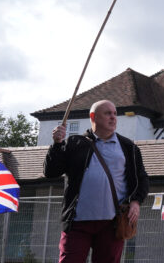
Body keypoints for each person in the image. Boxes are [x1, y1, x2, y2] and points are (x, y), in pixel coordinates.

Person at [45, 100, 149, 263]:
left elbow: (141, 179)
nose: (113, 117)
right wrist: (57, 145)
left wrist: (136, 201)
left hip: (112, 224)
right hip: (77, 223)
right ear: (93, 117)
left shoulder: (128, 147)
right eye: (108, 113)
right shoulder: (75, 143)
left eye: (115, 114)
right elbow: (51, 172)